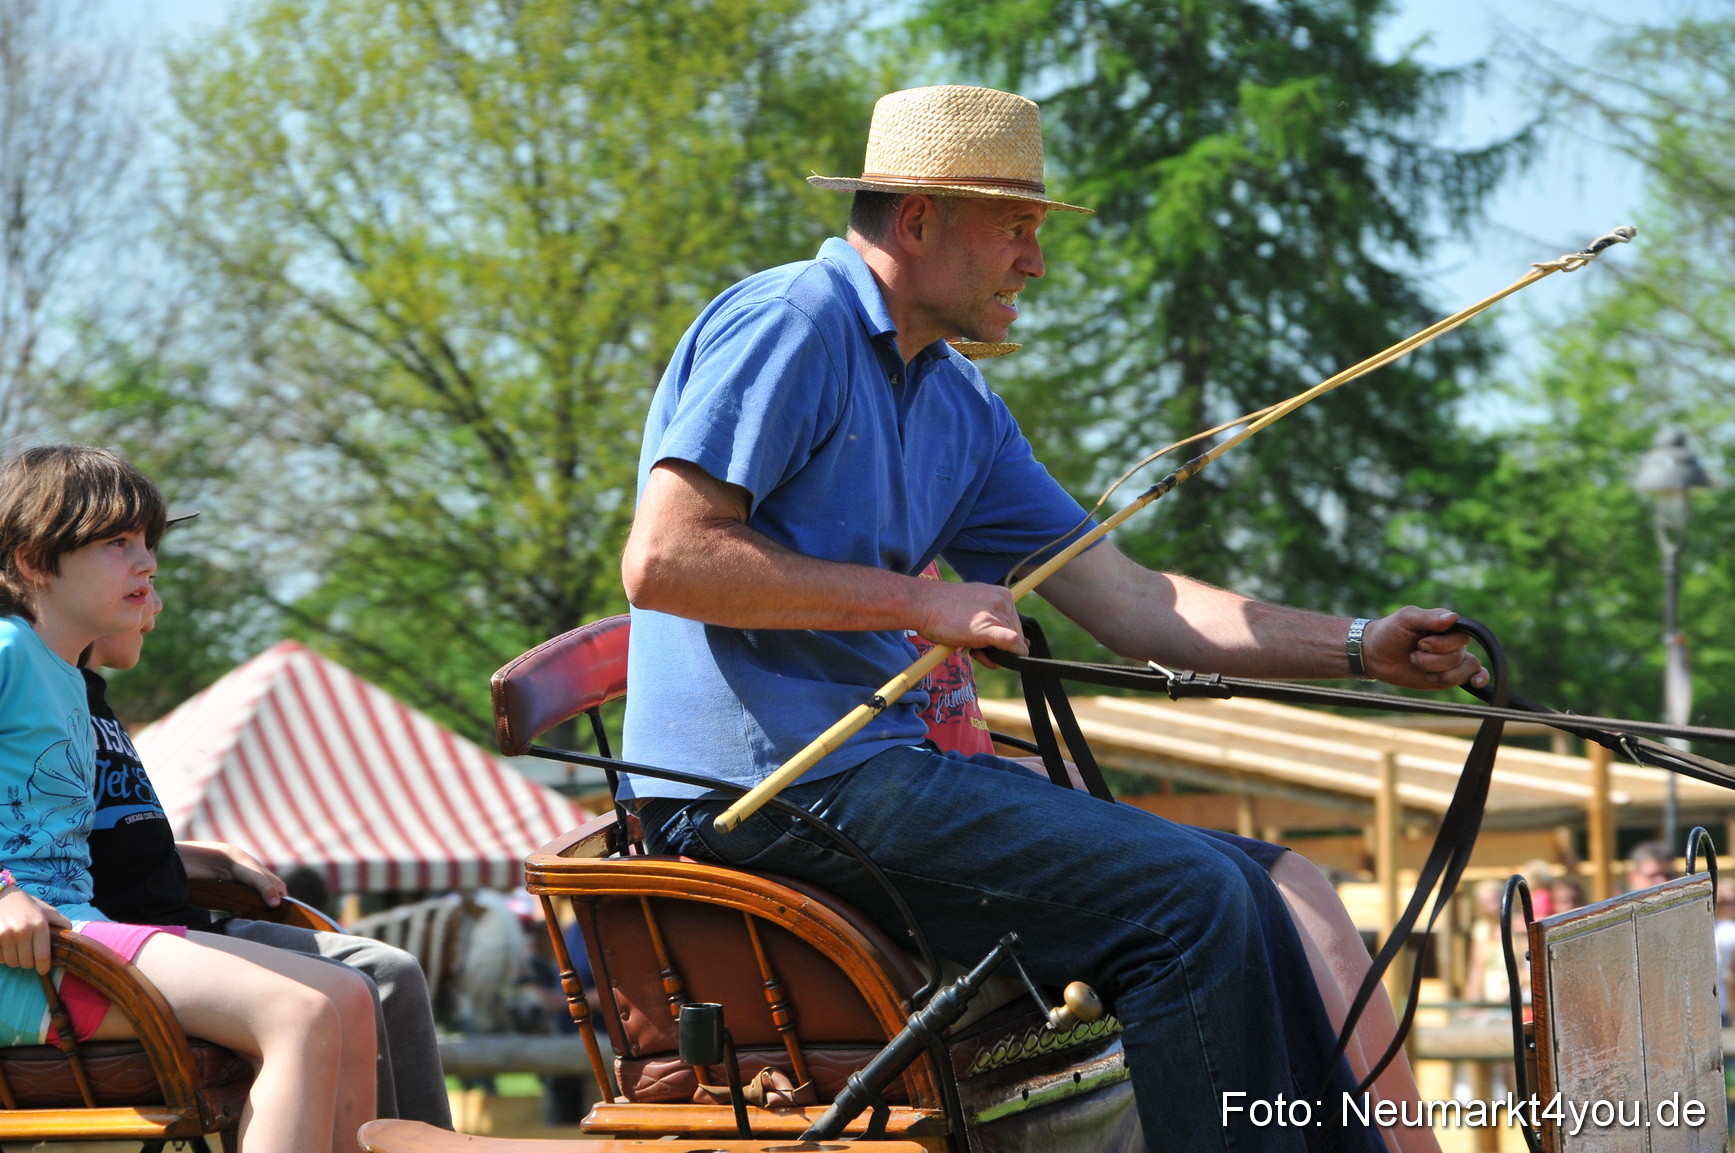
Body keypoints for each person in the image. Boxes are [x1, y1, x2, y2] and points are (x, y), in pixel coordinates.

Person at [617, 85, 1486, 1151]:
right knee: (1190, 904)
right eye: (1016, 228)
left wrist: (1357, 647)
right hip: (763, 794)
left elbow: (1132, 599)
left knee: (1250, 888)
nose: (1036, 261)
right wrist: (920, 600)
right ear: (920, 218)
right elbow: (666, 558)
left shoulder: (957, 401)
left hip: (875, 781)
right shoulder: (789, 321)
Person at [0, 443, 375, 1153]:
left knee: (348, 994)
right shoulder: (10, 649)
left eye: (147, 542)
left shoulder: (68, 680)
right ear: (34, 560)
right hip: (29, 961)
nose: (146, 562)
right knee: (295, 1013)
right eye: (117, 542)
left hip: (75, 942)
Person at [83, 583, 453, 1128]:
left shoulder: (91, 699)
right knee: (348, 988)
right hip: (129, 947)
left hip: (183, 923)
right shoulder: (43, 691)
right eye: (137, 582)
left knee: (391, 970)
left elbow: (109, 838)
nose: (155, 603)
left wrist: (204, 857)